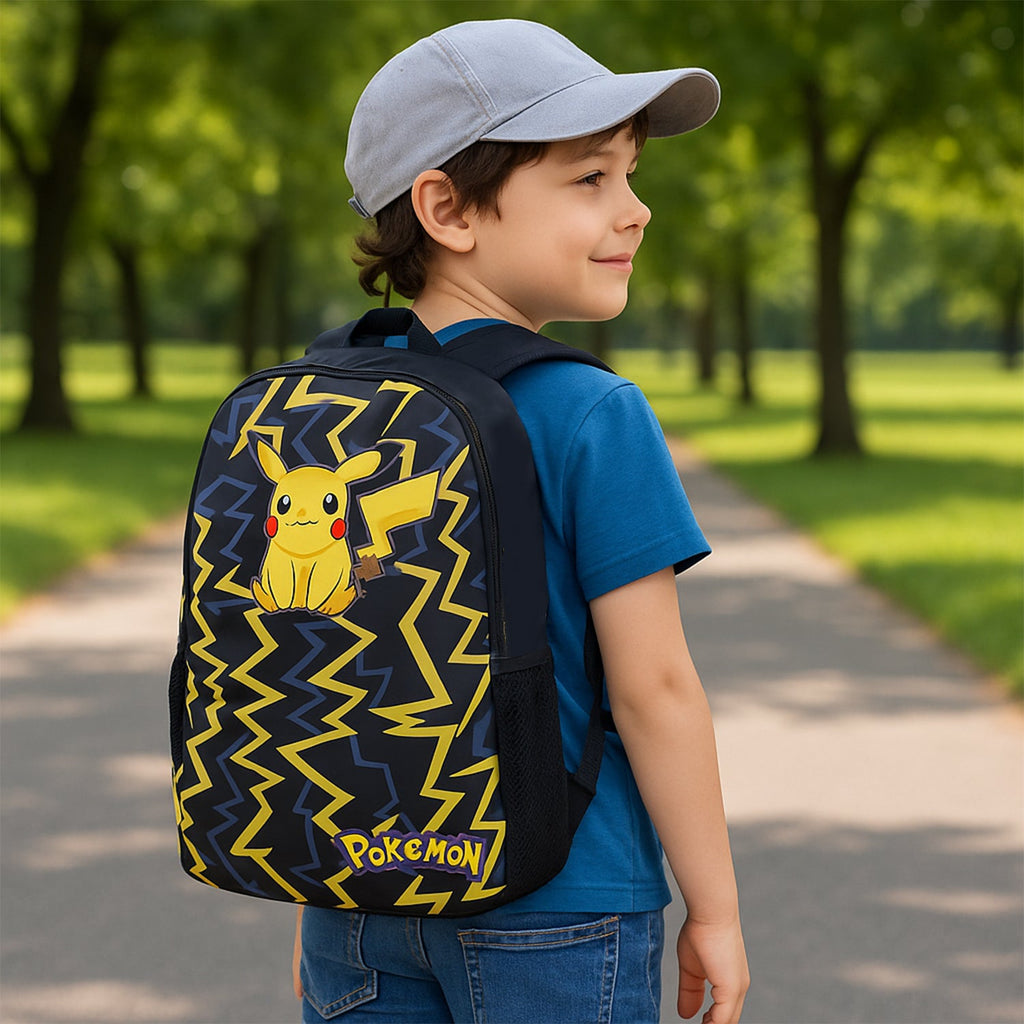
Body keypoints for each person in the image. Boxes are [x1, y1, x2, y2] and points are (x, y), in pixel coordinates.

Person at [293, 19, 749, 1024]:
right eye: (590, 178)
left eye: (629, 176)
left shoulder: (319, 408)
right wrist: (714, 908)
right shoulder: (591, 411)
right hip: (562, 900)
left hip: (355, 891)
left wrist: (321, 870)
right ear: (448, 209)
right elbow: (655, 688)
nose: (635, 209)